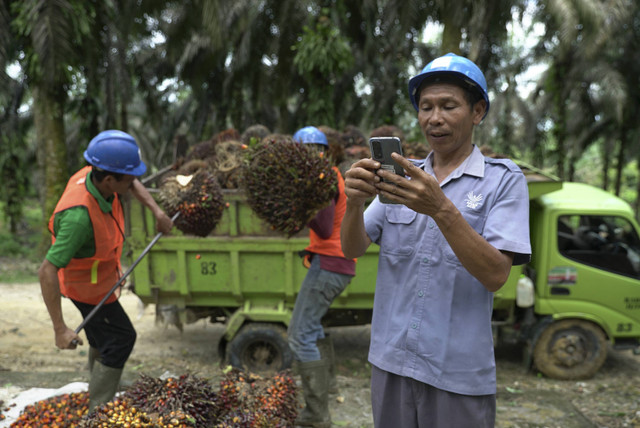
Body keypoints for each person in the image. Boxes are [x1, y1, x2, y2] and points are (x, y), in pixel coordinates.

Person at [340, 53, 531, 428]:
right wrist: (355, 203)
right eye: (425, 107)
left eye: (448, 106)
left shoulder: (504, 180)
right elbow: (353, 248)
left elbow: (496, 275)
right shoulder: (401, 177)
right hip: (391, 361)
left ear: (477, 112)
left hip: (456, 372)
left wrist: (441, 209)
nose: (435, 118)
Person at [38, 130, 174, 412]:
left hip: (104, 279)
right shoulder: (78, 218)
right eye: (127, 178)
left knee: (103, 337)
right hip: (86, 289)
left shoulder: (98, 172)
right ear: (110, 180)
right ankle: (99, 410)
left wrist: (157, 212)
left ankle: (97, 388)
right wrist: (60, 329)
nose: (132, 183)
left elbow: (132, 183)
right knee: (122, 338)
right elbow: (47, 270)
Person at [288, 126, 356, 428]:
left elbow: (325, 226)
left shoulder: (322, 179)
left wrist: (299, 207)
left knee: (299, 334)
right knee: (312, 326)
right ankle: (328, 389)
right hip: (335, 264)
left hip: (330, 263)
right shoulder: (328, 174)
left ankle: (316, 416)